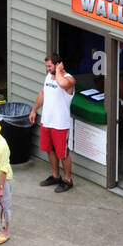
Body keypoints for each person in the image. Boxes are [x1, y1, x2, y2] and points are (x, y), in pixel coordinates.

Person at [30, 52, 75, 191]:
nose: (47, 69)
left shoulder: (69, 79)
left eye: (50, 66)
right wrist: (34, 110)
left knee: (63, 153)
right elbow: (43, 93)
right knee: (49, 150)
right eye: (46, 66)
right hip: (47, 121)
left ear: (57, 64)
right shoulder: (49, 76)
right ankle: (56, 176)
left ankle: (68, 180)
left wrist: (59, 71)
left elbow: (61, 84)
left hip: (60, 124)